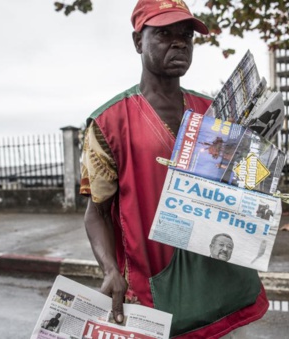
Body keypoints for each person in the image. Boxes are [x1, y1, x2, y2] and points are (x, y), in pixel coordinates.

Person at [80, 1, 268, 337]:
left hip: (222, 283)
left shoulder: (213, 110)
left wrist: (259, 154)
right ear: (138, 42)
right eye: (164, 34)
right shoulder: (109, 123)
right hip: (156, 287)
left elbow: (244, 186)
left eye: (185, 35)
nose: (179, 42)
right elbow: (97, 212)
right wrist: (110, 269)